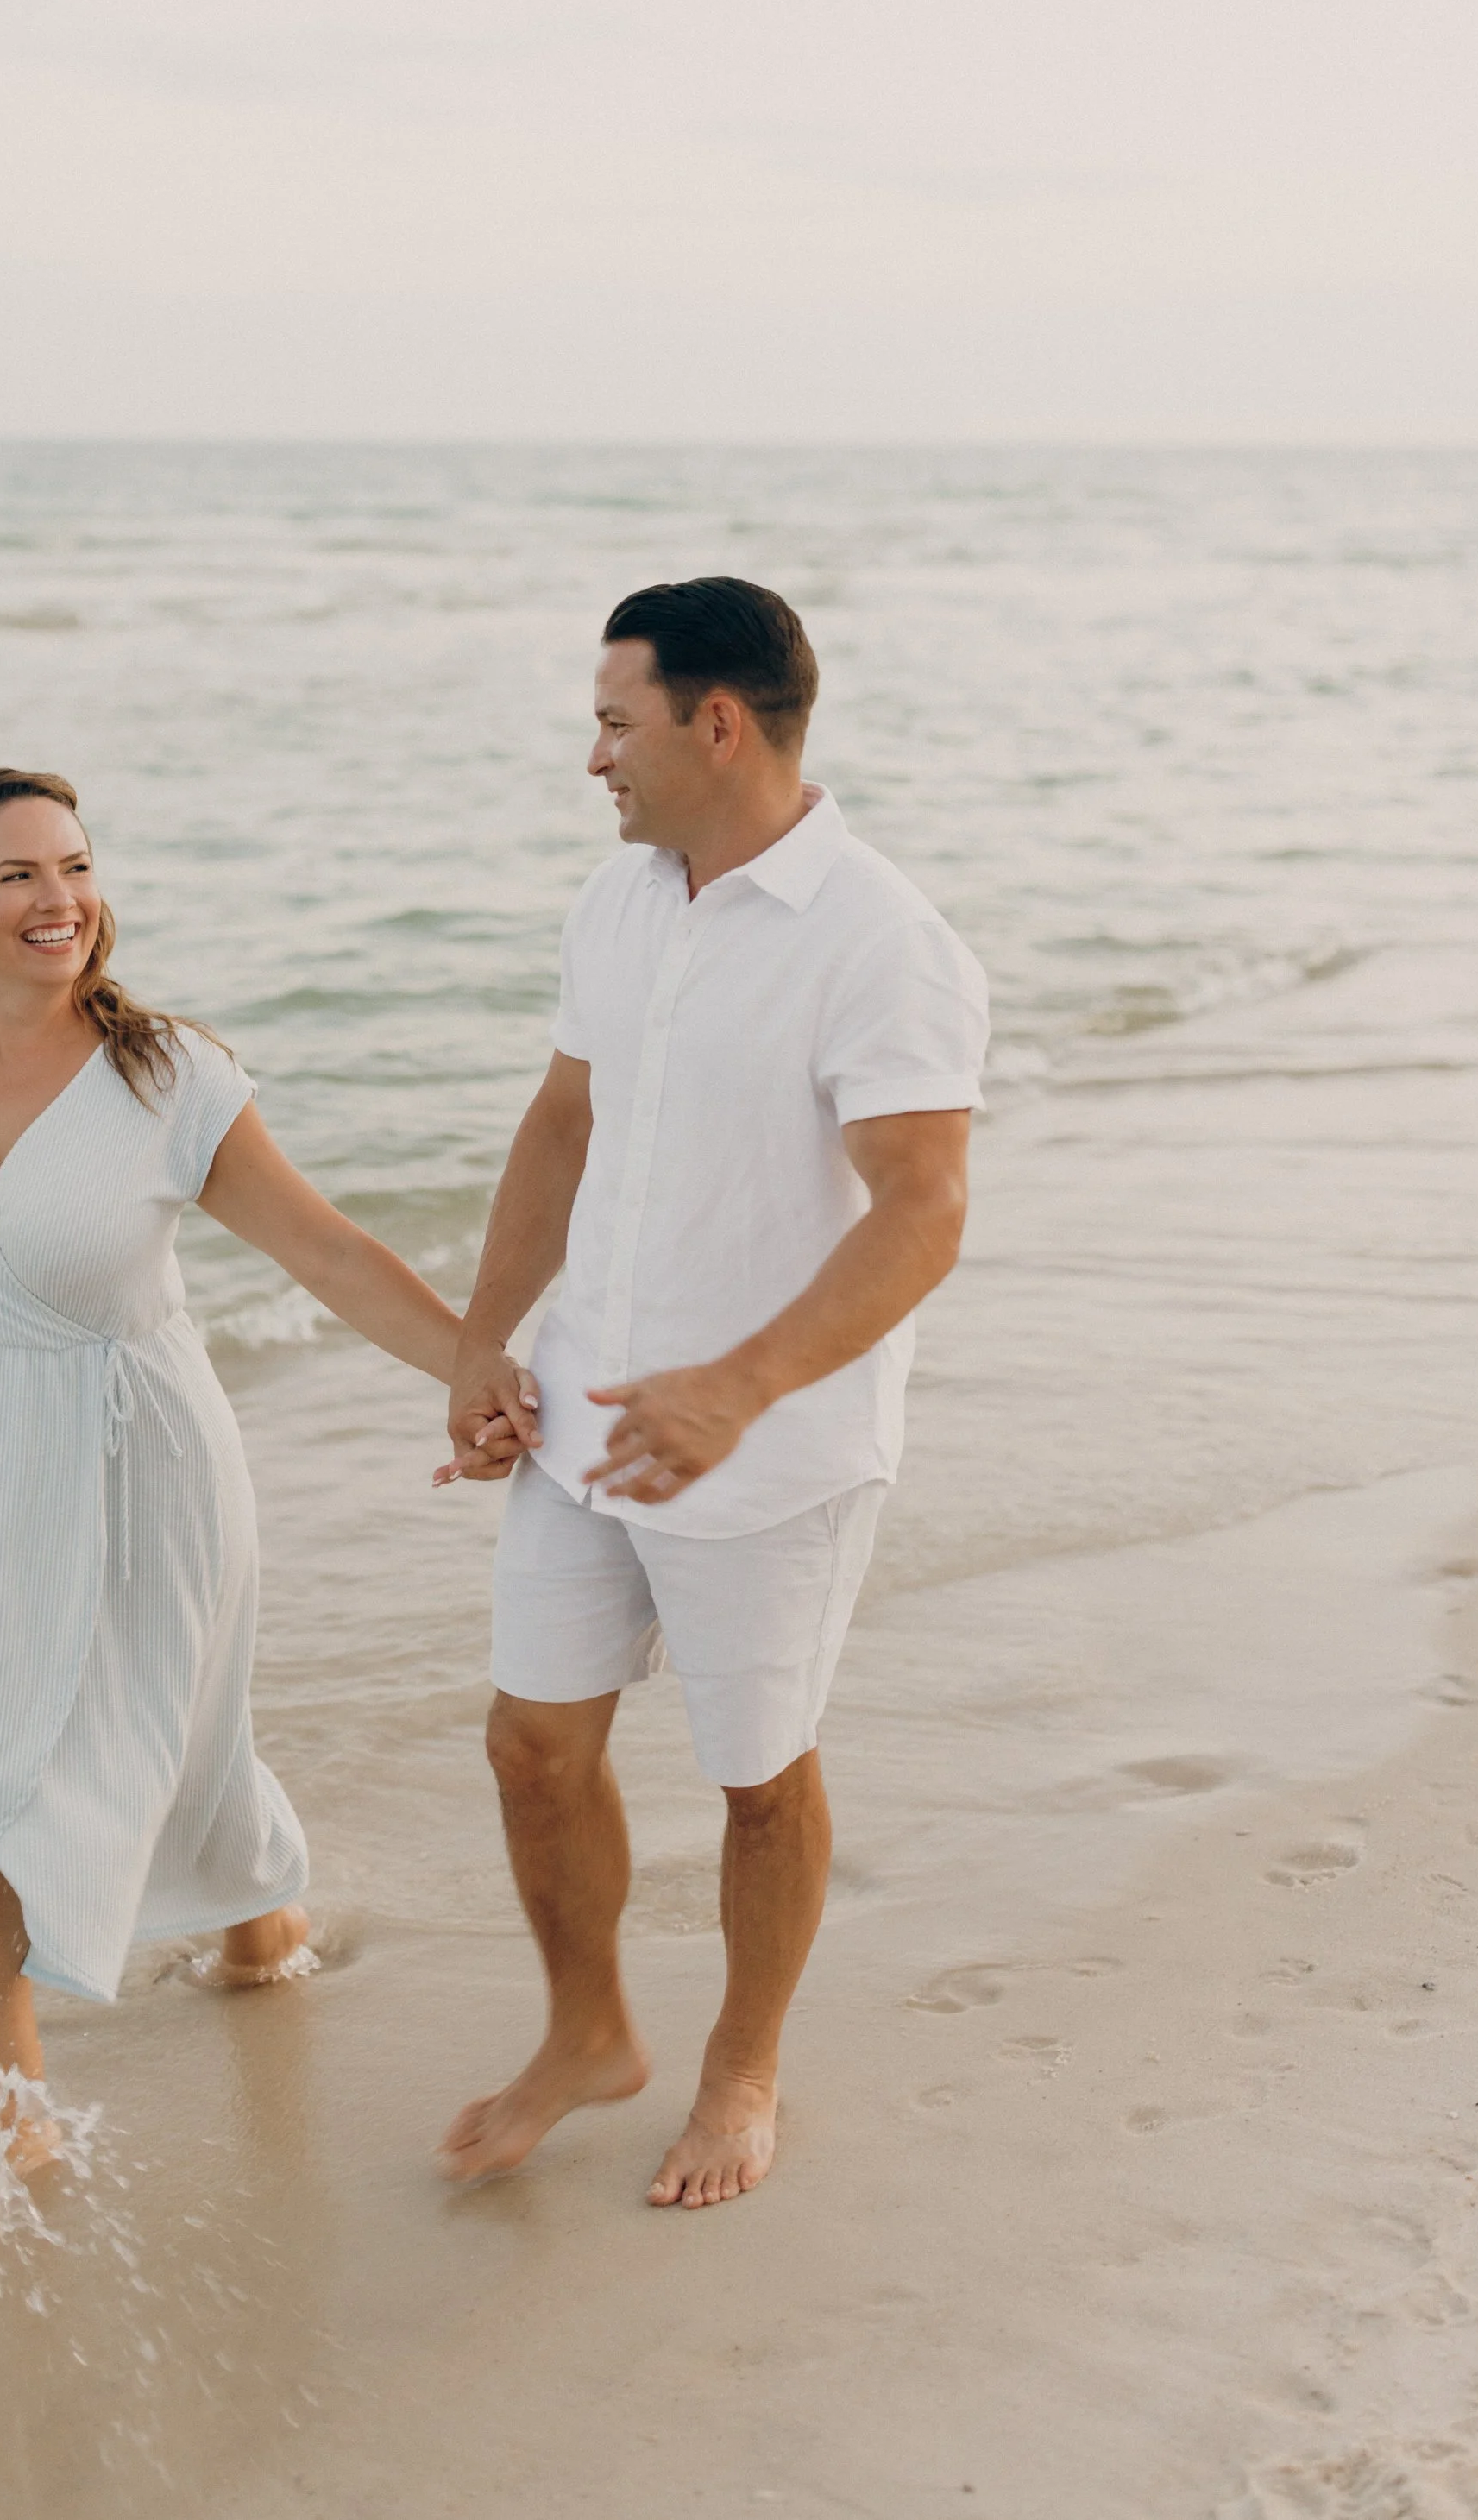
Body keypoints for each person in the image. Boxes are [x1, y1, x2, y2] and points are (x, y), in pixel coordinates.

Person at [0, 767, 462, 2227]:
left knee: (168, 1740)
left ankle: (262, 1930)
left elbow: (334, 1254)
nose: (62, 901)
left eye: (76, 867)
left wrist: (476, 1370)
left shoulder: (166, 1074)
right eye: (17, 877)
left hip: (141, 1460)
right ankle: (13, 2122)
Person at [436, 578, 987, 2210]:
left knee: (757, 1776)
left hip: (775, 1443)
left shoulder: (884, 941)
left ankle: (743, 2067)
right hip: (585, 1409)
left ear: (717, 723)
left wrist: (741, 1388)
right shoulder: (619, 906)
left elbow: (925, 1211)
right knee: (532, 1746)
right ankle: (590, 2027)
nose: (593, 759)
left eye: (616, 722)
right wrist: (484, 1338)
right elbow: (561, 1123)